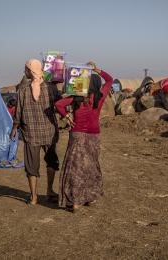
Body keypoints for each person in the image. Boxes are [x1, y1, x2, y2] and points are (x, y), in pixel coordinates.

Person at [55, 61, 113, 212]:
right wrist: (96, 69)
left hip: (77, 134)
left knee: (75, 167)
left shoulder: (76, 98)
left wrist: (67, 116)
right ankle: (89, 197)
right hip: (94, 135)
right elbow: (110, 80)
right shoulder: (99, 97)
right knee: (91, 166)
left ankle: (75, 201)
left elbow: (59, 104)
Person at [10, 59, 60, 205]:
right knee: (51, 162)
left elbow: (18, 112)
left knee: (32, 165)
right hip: (49, 132)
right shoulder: (51, 88)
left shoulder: (23, 91)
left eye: (25, 69)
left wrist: (14, 128)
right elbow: (60, 104)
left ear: (30, 71)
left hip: (31, 133)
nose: (24, 71)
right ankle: (50, 190)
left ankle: (34, 197)